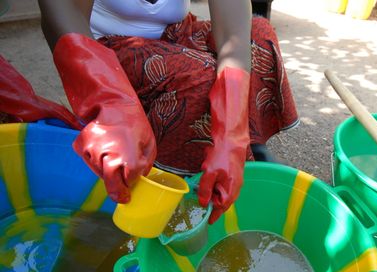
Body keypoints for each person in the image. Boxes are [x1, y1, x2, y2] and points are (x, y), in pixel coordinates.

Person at [1, 0, 299, 224]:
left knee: (259, 34)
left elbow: (234, 26)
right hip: (108, 52)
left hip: (174, 34)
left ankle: (248, 145)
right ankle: (173, 192)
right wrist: (110, 100)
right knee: (198, 78)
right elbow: (60, 9)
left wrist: (232, 134)